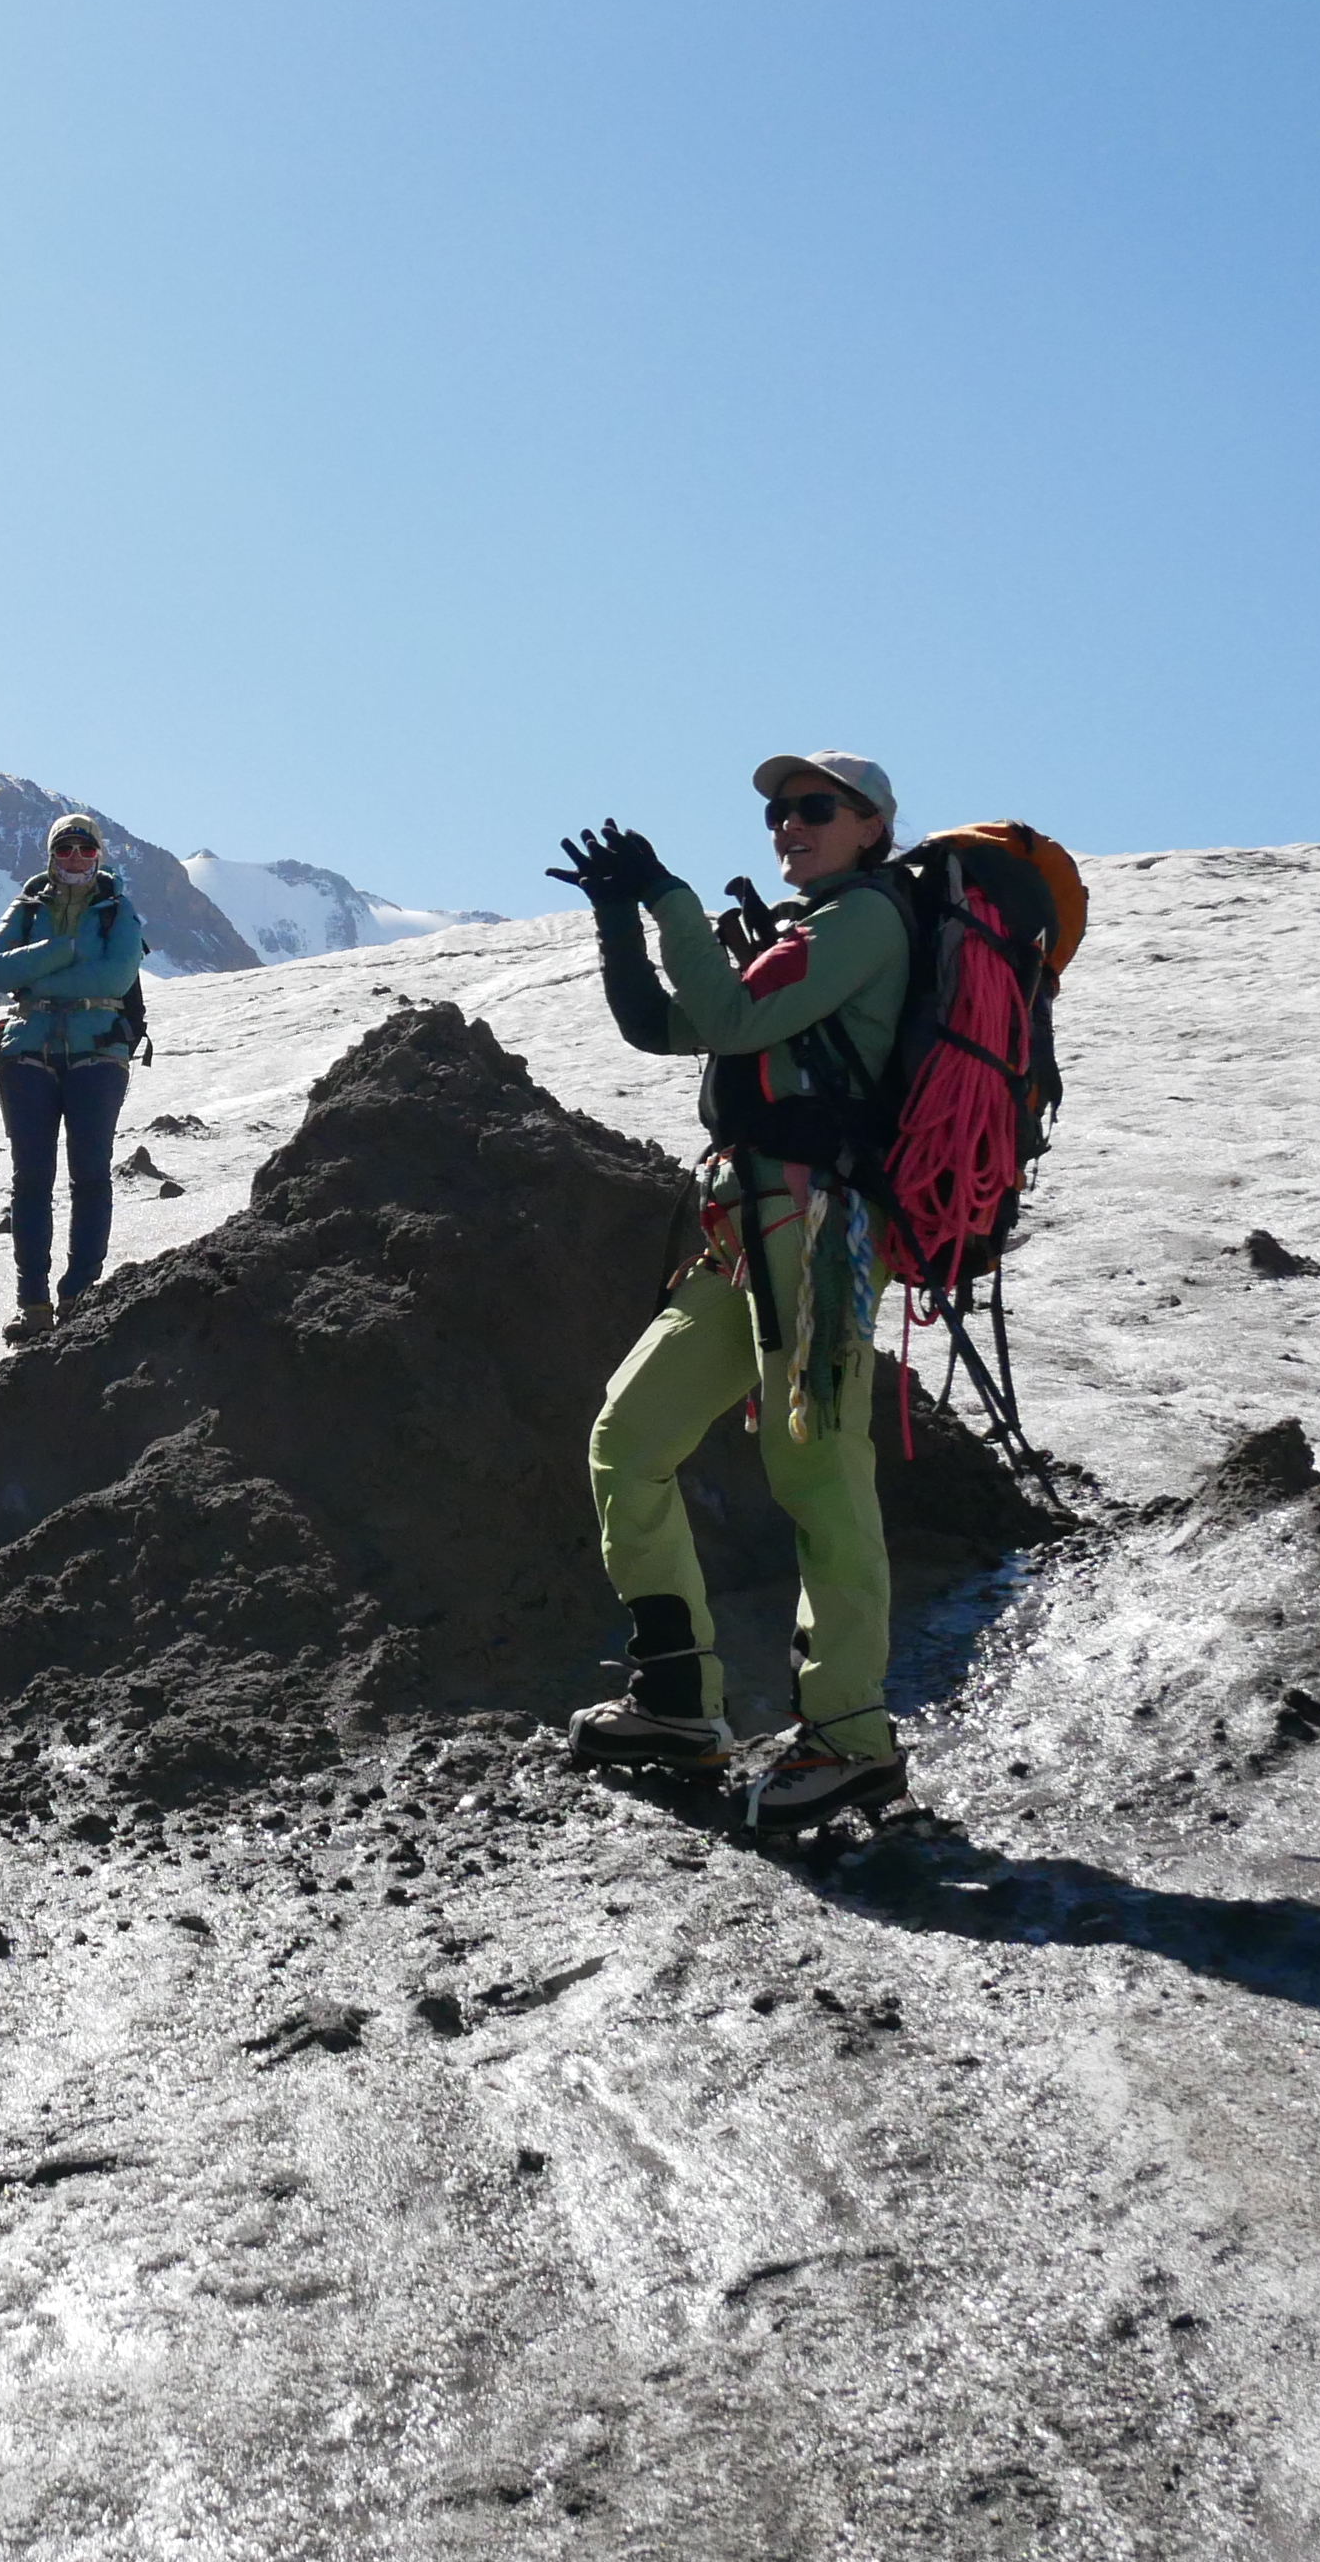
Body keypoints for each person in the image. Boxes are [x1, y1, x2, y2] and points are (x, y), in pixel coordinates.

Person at [551, 749, 919, 1832]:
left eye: (812, 809)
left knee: (817, 1473)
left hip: (816, 1236)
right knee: (627, 1436)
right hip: (740, 1230)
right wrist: (621, 919)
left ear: (870, 826)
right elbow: (661, 1025)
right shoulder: (805, 934)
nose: (786, 825)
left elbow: (729, 1024)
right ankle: (676, 1703)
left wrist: (666, 897)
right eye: (775, 812)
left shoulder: (864, 924)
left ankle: (849, 1739)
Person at [0, 813, 147, 1345]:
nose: (75, 858)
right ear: (51, 855)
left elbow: (117, 975)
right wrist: (66, 950)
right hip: (27, 1050)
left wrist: (43, 973)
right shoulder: (27, 907)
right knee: (32, 1180)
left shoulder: (118, 908)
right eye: (66, 849)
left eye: (85, 850)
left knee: (89, 1174)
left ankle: (78, 1293)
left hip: (96, 1050)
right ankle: (35, 1303)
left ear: (100, 855)